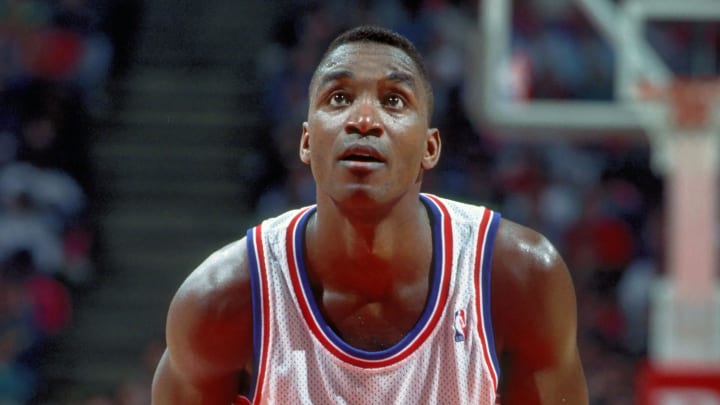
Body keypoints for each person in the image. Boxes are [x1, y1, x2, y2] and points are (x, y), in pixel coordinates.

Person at [151, 25, 588, 404]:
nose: (363, 119)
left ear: (430, 148)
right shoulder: (221, 301)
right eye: (339, 97)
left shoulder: (519, 278)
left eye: (394, 100)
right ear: (306, 142)